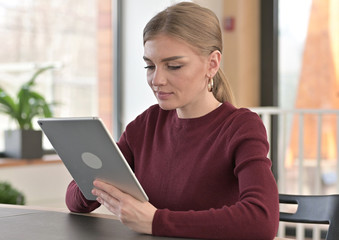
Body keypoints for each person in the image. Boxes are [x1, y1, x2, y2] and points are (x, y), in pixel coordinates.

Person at [66, 2, 279, 239]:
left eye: (174, 66)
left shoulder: (240, 127)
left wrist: (155, 221)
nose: (157, 79)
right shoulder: (146, 124)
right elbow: (75, 201)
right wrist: (94, 176)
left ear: (212, 64)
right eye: (150, 66)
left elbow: (262, 221)